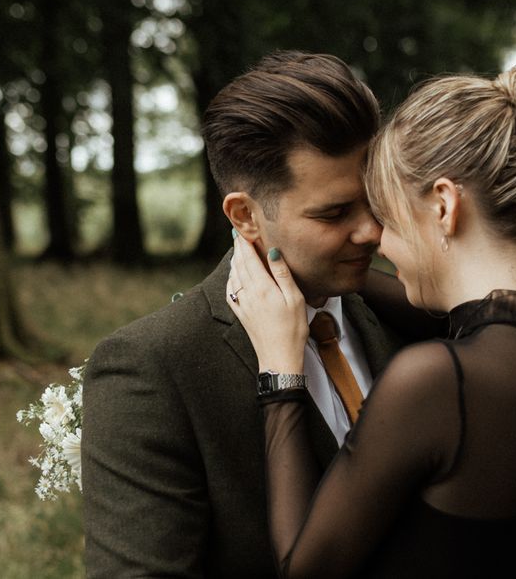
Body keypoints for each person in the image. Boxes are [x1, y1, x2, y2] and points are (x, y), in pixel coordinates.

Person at [227, 66, 516, 578]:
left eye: (389, 220)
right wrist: (294, 260)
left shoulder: (437, 382)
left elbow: (300, 569)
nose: (379, 242)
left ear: (444, 205)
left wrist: (281, 374)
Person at [81, 51, 402, 578]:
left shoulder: (401, 317)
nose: (372, 233)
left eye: (374, 201)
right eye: (335, 213)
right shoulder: (152, 368)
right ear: (246, 216)